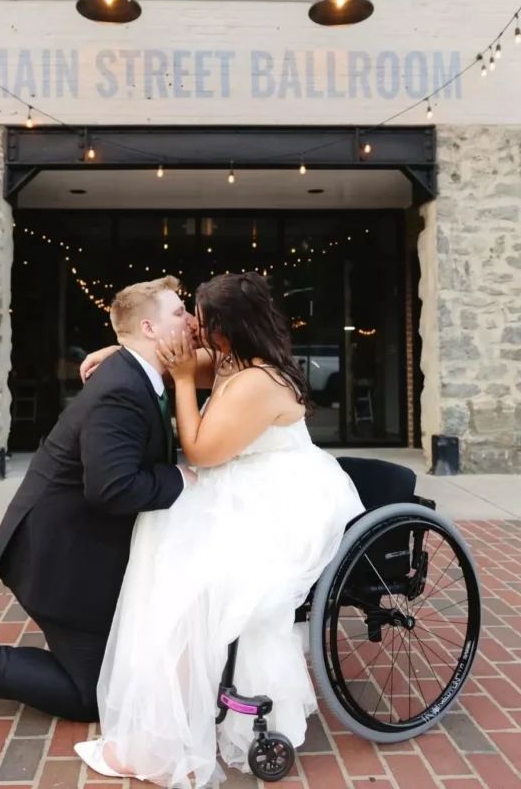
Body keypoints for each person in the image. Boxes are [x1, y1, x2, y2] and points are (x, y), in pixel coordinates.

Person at [74, 272, 364, 787]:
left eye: (203, 322)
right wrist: (116, 350)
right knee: (166, 543)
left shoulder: (259, 381)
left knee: (195, 582)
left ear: (229, 328)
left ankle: (168, 722)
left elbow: (201, 451)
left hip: (282, 503)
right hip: (239, 488)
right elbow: (169, 355)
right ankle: (170, 708)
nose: (193, 328)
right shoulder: (231, 359)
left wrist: (186, 381)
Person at [0, 276, 198, 726]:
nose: (191, 321)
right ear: (149, 328)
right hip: (56, 558)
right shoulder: (121, 390)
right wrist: (180, 478)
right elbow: (113, 488)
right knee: (92, 696)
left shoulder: (133, 372)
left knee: (124, 666)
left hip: (80, 544)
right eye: (180, 312)